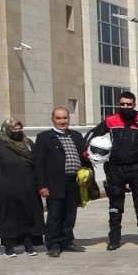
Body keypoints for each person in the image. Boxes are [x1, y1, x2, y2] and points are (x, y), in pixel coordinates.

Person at [88, 91, 138, 250]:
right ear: (119, 104)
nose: (126, 107)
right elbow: (92, 135)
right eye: (122, 104)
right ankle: (114, 240)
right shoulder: (111, 120)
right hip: (115, 170)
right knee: (115, 207)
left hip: (137, 169)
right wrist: (87, 151)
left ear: (134, 104)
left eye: (129, 104)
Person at [35, 107, 90, 257]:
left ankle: (67, 241)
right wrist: (42, 185)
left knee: (70, 214)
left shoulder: (77, 136)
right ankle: (53, 244)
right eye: (58, 118)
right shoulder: (44, 138)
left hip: (74, 182)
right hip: (54, 183)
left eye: (65, 118)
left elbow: (84, 157)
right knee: (55, 215)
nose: (62, 121)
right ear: (53, 119)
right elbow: (38, 164)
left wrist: (87, 176)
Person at [0, 117, 44, 257]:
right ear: (6, 130)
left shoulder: (28, 143)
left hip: (28, 188)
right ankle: (9, 247)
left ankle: (29, 245)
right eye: (14, 129)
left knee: (28, 217)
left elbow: (37, 164)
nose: (17, 131)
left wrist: (41, 185)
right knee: (8, 219)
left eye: (19, 129)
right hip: (7, 190)